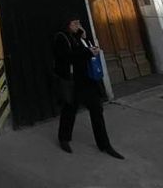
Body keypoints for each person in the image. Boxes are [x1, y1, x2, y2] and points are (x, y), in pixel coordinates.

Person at [53, 13, 124, 159]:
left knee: (96, 109)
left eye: (78, 23)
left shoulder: (80, 37)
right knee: (69, 110)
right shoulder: (62, 37)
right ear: (67, 25)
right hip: (73, 81)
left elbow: (87, 51)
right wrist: (87, 51)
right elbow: (68, 56)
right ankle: (64, 138)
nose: (77, 26)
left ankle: (104, 144)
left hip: (87, 80)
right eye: (74, 23)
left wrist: (86, 40)